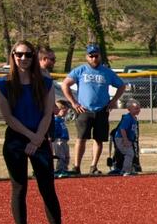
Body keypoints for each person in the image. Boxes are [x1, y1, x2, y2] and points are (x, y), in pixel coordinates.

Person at [0, 40, 72, 224]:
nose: (23, 58)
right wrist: (30, 136)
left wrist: (38, 138)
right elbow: (8, 117)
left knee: (47, 186)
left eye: (28, 55)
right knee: (19, 187)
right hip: (16, 139)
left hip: (39, 137)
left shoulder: (44, 83)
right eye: (19, 54)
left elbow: (48, 113)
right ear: (13, 56)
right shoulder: (3, 84)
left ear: (34, 57)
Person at [62, 43, 126, 176]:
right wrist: (73, 103)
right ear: (87, 57)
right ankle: (76, 167)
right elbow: (65, 84)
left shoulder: (107, 72)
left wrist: (113, 101)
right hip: (84, 110)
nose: (93, 59)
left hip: (102, 110)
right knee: (81, 138)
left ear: (100, 56)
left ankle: (93, 166)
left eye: (96, 56)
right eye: (91, 56)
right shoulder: (80, 70)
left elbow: (121, 86)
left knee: (99, 139)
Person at [108, 101, 140, 176]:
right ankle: (125, 170)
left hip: (125, 138)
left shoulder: (133, 118)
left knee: (130, 153)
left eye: (139, 108)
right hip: (121, 138)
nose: (138, 110)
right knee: (129, 153)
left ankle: (127, 169)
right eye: (136, 108)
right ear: (129, 109)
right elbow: (122, 129)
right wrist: (125, 140)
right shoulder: (127, 118)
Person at [51, 101, 71, 177]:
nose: (66, 112)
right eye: (64, 110)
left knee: (66, 156)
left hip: (64, 140)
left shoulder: (61, 120)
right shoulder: (55, 120)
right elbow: (54, 131)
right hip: (58, 140)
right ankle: (59, 169)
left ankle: (65, 169)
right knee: (60, 155)